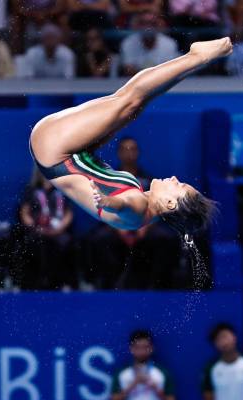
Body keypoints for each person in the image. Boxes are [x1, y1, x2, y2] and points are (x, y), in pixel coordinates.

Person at [29, 38, 226, 242]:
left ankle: (197, 57)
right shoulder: (143, 212)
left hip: (55, 147)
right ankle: (192, 63)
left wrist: (108, 202)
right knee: (135, 106)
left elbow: (125, 205)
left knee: (129, 100)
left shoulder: (139, 206)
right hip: (66, 153)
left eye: (180, 186)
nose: (176, 179)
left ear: (170, 204)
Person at [83, 137, 182, 289]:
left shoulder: (149, 179)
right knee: (97, 239)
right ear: (119, 153)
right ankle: (104, 284)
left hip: (142, 225)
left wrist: (141, 226)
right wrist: (122, 226)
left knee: (164, 238)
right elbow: (120, 204)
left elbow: (152, 208)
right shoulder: (109, 176)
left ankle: (158, 285)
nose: (129, 153)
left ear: (138, 152)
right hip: (117, 223)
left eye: (133, 149)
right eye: (125, 149)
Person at [13, 168, 76, 290]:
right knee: (35, 243)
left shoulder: (62, 190)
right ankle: (36, 282)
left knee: (64, 243)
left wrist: (59, 228)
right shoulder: (31, 190)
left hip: (59, 230)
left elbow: (69, 213)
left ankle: (62, 283)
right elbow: (24, 212)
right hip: (37, 230)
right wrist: (36, 226)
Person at [111, 330, 177, 400]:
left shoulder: (161, 373)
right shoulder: (122, 374)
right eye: (137, 348)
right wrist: (133, 384)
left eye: (145, 347)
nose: (141, 351)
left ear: (151, 348)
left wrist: (156, 389)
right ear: (131, 349)